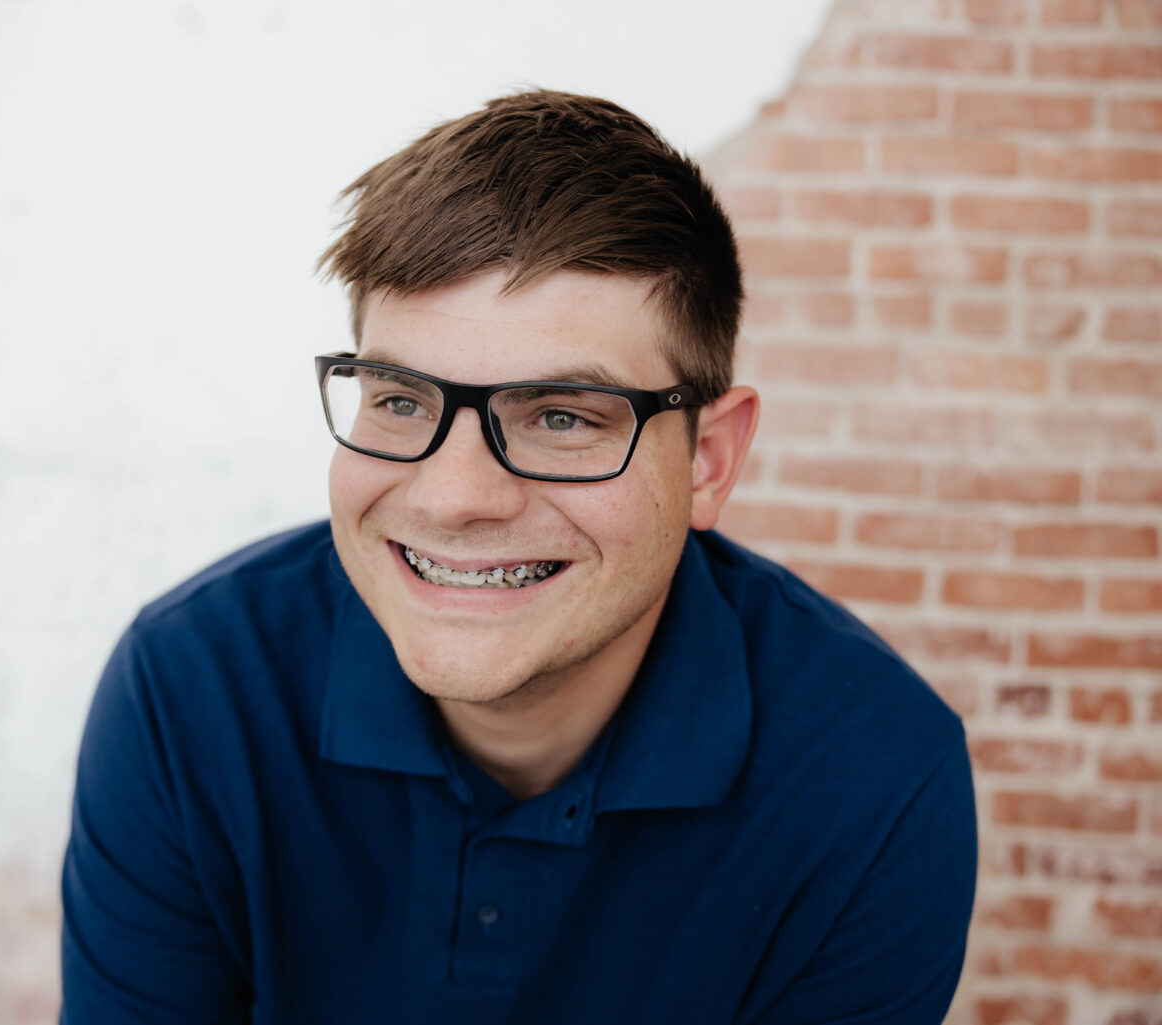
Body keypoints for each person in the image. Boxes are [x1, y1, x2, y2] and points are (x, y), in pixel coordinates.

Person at [60, 90, 976, 1024]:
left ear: (708, 458)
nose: (453, 497)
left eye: (563, 417)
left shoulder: (873, 777)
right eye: (402, 401)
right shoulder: (191, 690)